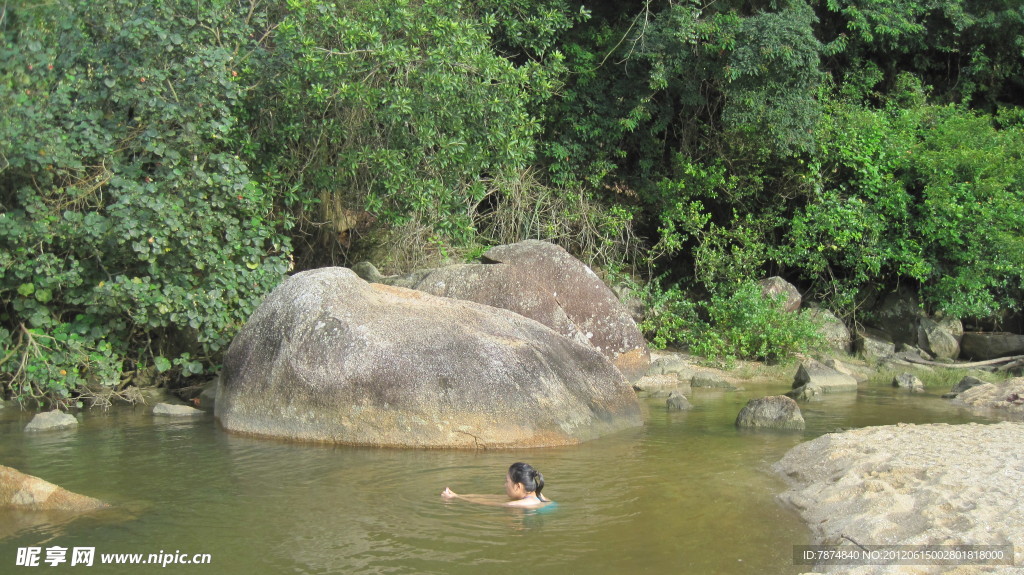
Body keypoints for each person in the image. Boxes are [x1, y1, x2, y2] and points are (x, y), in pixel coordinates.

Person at [442, 462, 553, 508]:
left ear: (518, 486)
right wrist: (458, 495)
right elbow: (495, 498)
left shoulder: (521, 504)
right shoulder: (537, 495)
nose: (504, 485)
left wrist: (457, 499)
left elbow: (489, 503)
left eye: (507, 481)